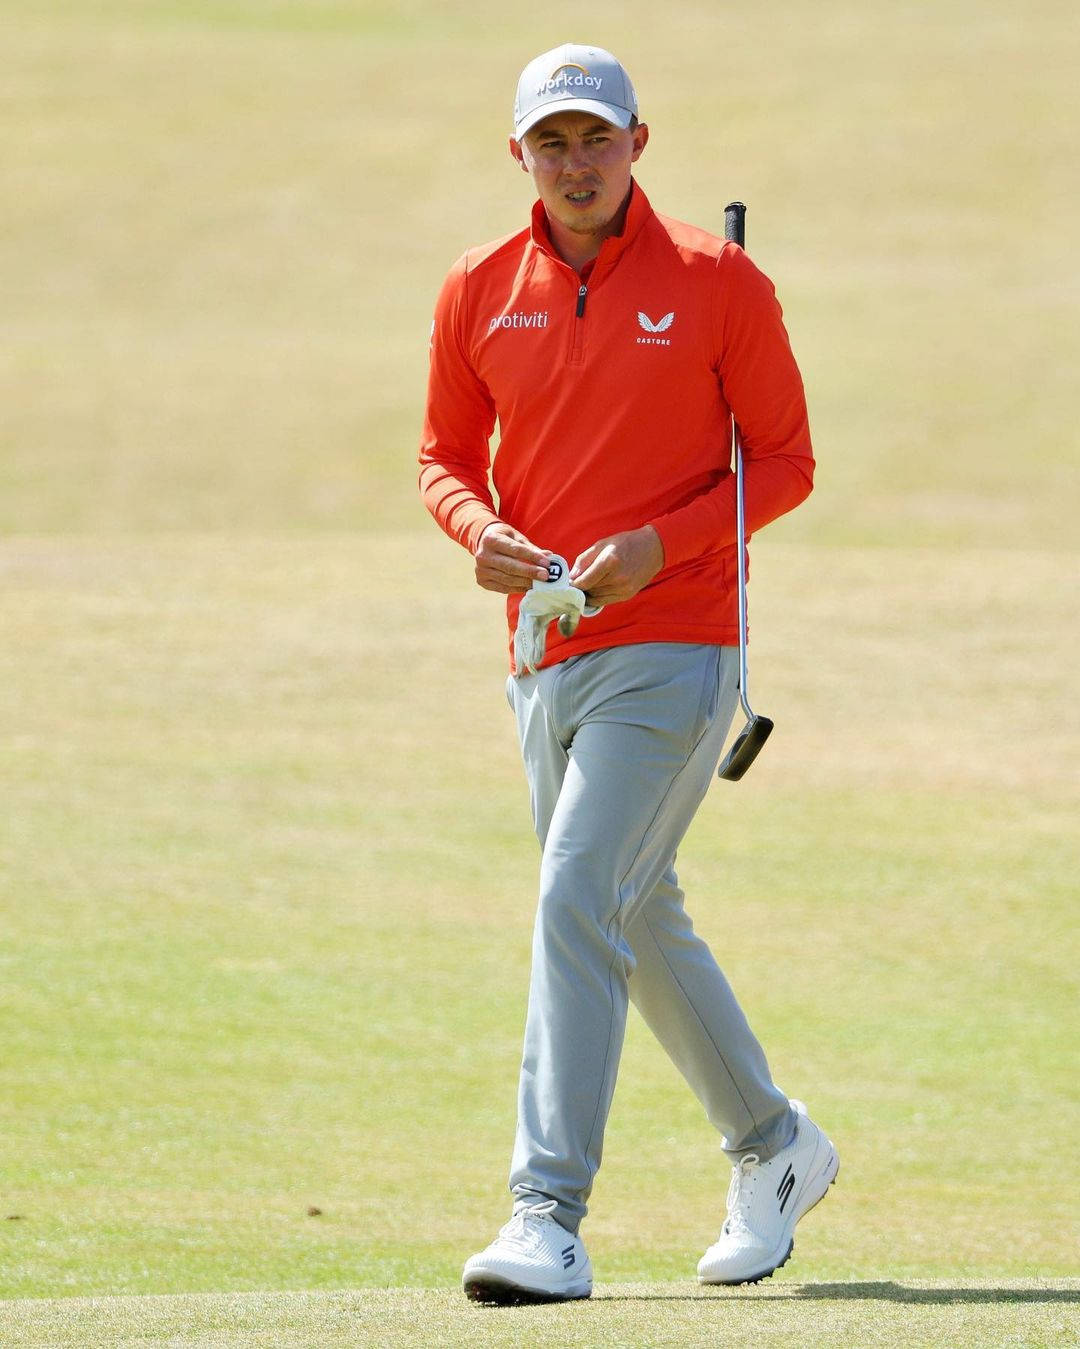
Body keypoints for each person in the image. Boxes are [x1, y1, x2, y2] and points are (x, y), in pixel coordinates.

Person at [418, 42, 838, 1304]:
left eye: (597, 139)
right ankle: (776, 1146)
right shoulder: (478, 287)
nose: (577, 162)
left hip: (678, 646)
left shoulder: (719, 283)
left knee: (573, 895)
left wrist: (663, 547)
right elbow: (442, 453)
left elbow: (787, 460)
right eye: (553, 143)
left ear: (638, 143)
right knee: (628, 911)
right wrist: (474, 530)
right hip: (544, 651)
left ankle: (545, 1213)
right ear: (520, 158)